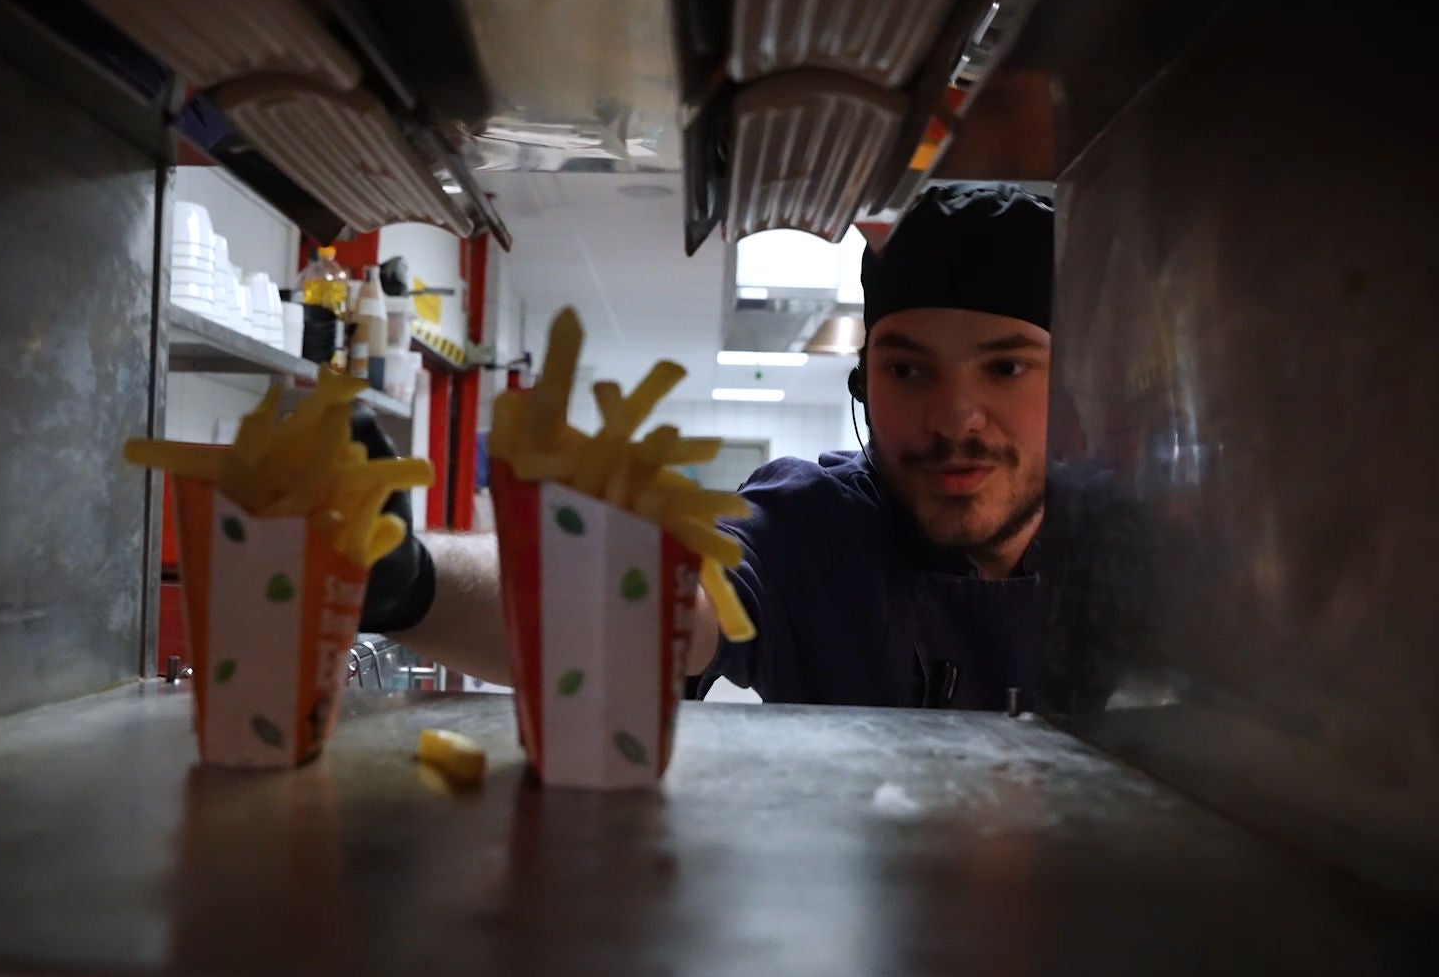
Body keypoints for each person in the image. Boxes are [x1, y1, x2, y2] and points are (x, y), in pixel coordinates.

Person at [358, 182, 1106, 711]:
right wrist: (414, 578)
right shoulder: (813, 532)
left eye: (1006, 367)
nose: (953, 417)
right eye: (907, 369)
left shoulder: (1147, 561)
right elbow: (657, 595)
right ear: (862, 386)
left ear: (1074, 385)